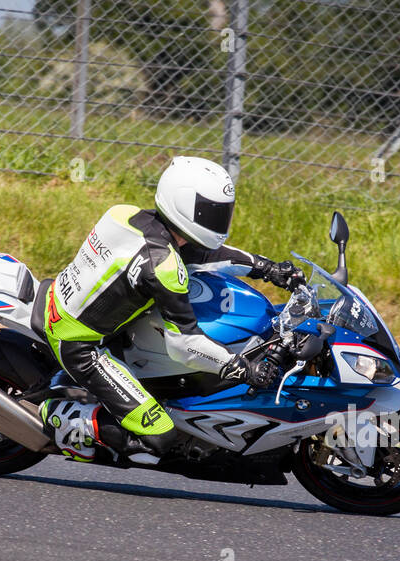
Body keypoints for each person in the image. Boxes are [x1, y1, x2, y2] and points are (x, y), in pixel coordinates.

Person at [34, 155, 303, 462]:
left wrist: (265, 268)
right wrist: (242, 368)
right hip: (80, 345)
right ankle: (55, 416)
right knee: (159, 438)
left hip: (65, 299)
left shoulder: (126, 214)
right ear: (183, 204)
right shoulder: (162, 266)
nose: (217, 220)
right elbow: (185, 346)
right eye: (210, 212)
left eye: (221, 212)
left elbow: (203, 254)